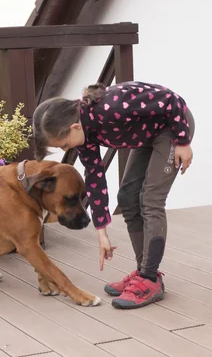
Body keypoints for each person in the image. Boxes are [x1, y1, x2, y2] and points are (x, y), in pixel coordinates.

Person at [32, 81, 195, 309]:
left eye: (63, 144)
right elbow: (95, 178)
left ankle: (149, 279)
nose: (65, 149)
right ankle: (144, 273)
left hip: (173, 127)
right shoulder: (84, 136)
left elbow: (172, 100)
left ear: (74, 128)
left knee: (151, 200)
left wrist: (183, 141)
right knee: (128, 198)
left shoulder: (114, 107)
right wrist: (101, 233)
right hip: (149, 134)